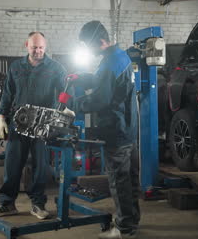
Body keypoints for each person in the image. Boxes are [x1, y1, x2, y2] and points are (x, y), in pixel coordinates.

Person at [59, 21, 140, 239]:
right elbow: (106, 84)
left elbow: (100, 99)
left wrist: (72, 107)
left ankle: (124, 229)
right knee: (130, 180)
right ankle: (132, 222)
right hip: (130, 130)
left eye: (89, 46)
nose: (89, 50)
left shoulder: (108, 64)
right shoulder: (120, 57)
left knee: (119, 181)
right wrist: (83, 77)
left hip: (116, 130)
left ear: (101, 42)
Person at [0, 31, 67, 220]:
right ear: (27, 45)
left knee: (40, 165)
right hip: (19, 122)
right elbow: (8, 94)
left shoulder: (55, 68)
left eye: (41, 47)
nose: (38, 51)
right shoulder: (16, 67)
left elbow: (66, 91)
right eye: (34, 47)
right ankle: (7, 203)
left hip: (43, 124)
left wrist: (65, 109)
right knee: (12, 164)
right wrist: (1, 118)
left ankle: (37, 204)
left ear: (45, 46)